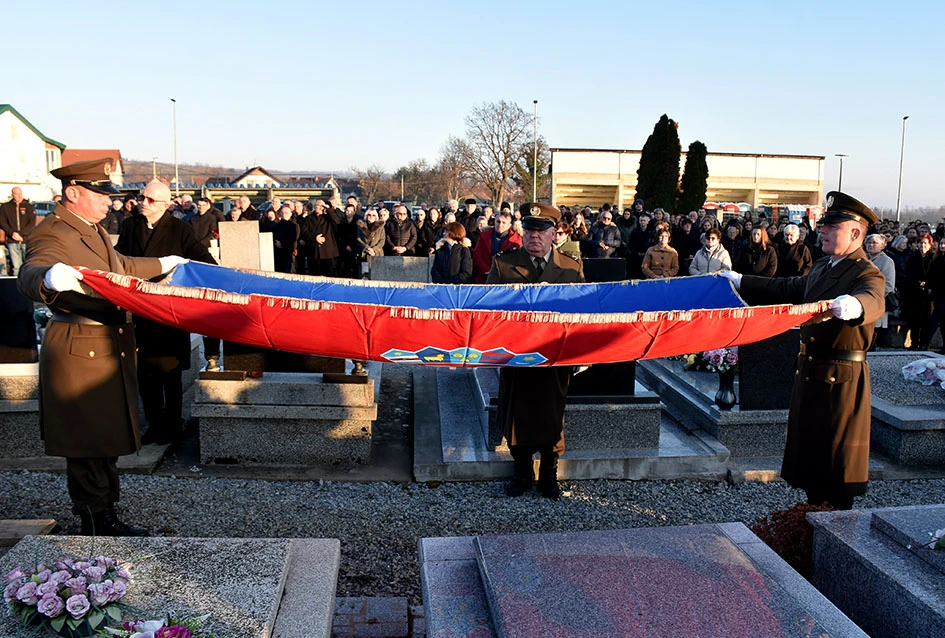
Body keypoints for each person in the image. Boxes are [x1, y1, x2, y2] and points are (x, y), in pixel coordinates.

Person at [17, 158, 187, 535]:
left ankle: (106, 514)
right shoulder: (53, 232)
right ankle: (95, 522)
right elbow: (31, 271)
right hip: (81, 348)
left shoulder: (90, 229)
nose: (110, 201)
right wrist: (47, 277)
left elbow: (120, 265)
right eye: (102, 193)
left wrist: (163, 262)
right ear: (73, 192)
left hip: (104, 346)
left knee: (105, 438)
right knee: (87, 442)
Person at [720, 191, 885, 509]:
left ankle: (834, 533)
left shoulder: (866, 272)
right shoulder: (824, 266)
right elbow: (789, 288)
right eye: (823, 225)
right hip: (812, 373)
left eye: (831, 226)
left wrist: (856, 305)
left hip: (841, 381)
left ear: (854, 233)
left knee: (836, 469)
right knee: (811, 463)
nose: (822, 230)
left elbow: (873, 298)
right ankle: (810, 521)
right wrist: (743, 282)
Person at [487, 203, 584, 500]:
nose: (534, 237)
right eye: (529, 230)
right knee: (517, 413)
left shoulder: (571, 267)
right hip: (516, 355)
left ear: (554, 233)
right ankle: (521, 471)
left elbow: (581, 311)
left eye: (541, 231)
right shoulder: (504, 264)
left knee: (552, 413)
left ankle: (549, 473)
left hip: (554, 357)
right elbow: (490, 308)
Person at [115, 179, 214, 446]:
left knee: (170, 374)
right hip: (139, 313)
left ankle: (172, 424)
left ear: (165, 204)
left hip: (169, 313)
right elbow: (117, 262)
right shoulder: (129, 227)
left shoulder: (180, 230)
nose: (142, 204)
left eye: (149, 200)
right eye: (141, 198)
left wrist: (174, 279)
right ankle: (153, 424)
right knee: (145, 375)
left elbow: (204, 263)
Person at [471, 211, 522, 283]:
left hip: (506, 279)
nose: (500, 225)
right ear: (494, 221)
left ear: (509, 225)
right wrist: (487, 271)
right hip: (484, 279)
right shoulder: (484, 236)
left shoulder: (516, 240)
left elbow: (518, 260)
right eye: (498, 221)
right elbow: (477, 255)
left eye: (504, 223)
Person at [864, 234, 896, 346]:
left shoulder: (886, 261)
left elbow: (889, 285)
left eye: (874, 243)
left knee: (873, 333)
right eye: (868, 242)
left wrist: (874, 296)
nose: (871, 245)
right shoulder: (862, 259)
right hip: (860, 299)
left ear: (882, 246)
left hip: (876, 300)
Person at [0, 187, 37, 276]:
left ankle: (27, 285)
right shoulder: (5, 207)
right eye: (17, 194)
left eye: (21, 194)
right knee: (16, 267)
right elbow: (2, 222)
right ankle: (16, 286)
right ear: (12, 194)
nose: (19, 196)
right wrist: (12, 233)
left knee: (28, 265)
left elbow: (32, 223)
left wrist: (20, 234)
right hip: (12, 241)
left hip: (25, 240)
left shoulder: (28, 207)